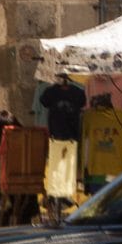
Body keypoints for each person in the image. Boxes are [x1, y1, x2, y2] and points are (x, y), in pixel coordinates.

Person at [40, 71, 86, 220]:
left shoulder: (78, 93)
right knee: (55, 169)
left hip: (70, 138)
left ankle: (64, 195)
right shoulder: (51, 92)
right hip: (57, 138)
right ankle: (56, 195)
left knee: (68, 169)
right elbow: (43, 101)